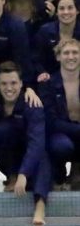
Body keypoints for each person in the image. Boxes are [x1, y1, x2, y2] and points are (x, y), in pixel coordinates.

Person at [0, 61, 50, 225]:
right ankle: (11, 175)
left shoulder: (32, 104)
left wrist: (23, 174)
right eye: (4, 83)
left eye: (14, 83)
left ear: (22, 84)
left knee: (42, 156)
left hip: (32, 155)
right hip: (9, 159)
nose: (9, 88)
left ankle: (40, 206)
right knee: (0, 131)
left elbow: (36, 143)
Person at [40, 38, 80, 191]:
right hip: (59, 134)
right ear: (58, 57)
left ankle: (77, 169)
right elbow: (50, 121)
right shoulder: (47, 83)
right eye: (66, 53)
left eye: (75, 53)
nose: (71, 57)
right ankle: (59, 173)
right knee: (61, 146)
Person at [33, 0, 80, 82]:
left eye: (70, 8)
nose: (66, 12)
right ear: (57, 12)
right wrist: (41, 72)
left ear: (77, 11)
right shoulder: (45, 31)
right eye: (61, 8)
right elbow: (36, 59)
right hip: (49, 81)